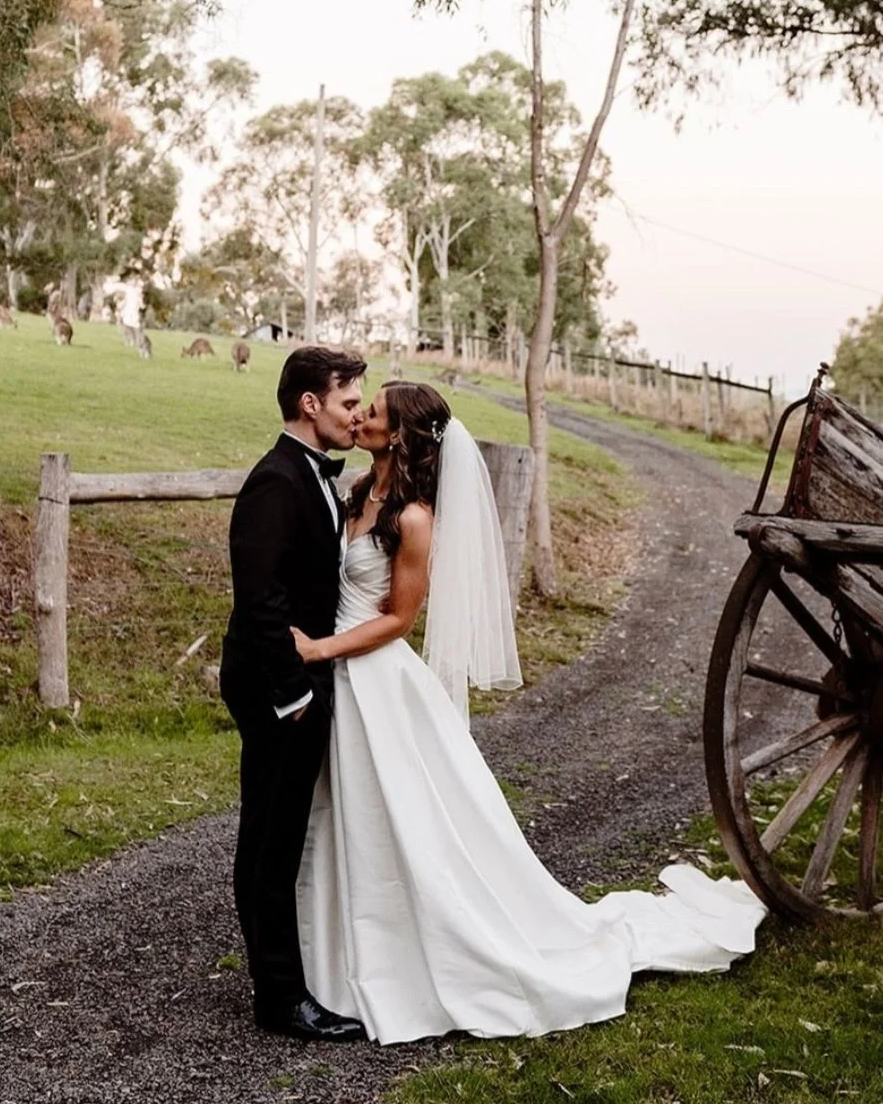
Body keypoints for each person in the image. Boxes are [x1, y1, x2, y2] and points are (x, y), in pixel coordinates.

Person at [292, 381, 767, 1046]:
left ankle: (417, 954)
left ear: (398, 435)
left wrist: (321, 646)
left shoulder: (416, 518)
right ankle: (336, 957)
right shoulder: (355, 494)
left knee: (397, 819)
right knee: (351, 816)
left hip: (374, 678)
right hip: (341, 677)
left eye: (374, 411)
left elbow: (399, 619)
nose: (361, 415)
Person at [219, 345, 368, 1042]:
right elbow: (260, 602)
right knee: (271, 843)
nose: (356, 414)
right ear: (311, 404)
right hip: (280, 687)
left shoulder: (314, 478)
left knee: (278, 837)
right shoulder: (276, 482)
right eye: (347, 402)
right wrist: (291, 694)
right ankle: (281, 999)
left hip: (302, 681)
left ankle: (280, 984)